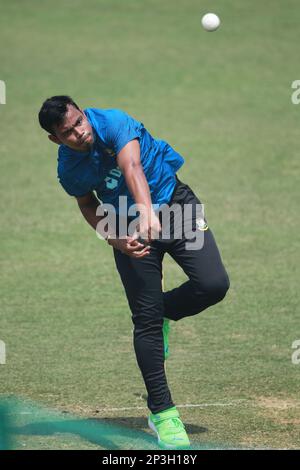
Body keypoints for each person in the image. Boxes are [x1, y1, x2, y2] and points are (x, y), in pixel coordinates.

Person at [38, 96, 230, 449]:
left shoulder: (112, 121)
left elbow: (132, 167)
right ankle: (162, 412)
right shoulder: (69, 170)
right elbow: (87, 205)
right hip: (126, 226)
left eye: (79, 122)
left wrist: (147, 212)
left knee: (214, 284)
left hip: (174, 205)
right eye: (68, 132)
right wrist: (115, 239)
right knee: (145, 317)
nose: (80, 133)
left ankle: (165, 312)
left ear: (84, 113)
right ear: (56, 139)